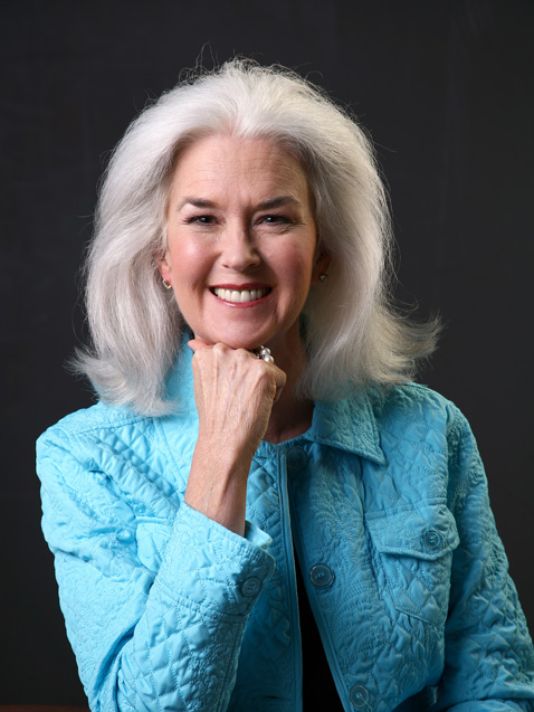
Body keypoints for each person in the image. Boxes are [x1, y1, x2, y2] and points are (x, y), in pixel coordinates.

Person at [36, 58, 534, 711]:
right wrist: (220, 456)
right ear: (161, 255)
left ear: (324, 251)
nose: (239, 254)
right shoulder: (84, 460)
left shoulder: (430, 432)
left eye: (274, 218)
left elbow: (495, 683)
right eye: (202, 219)